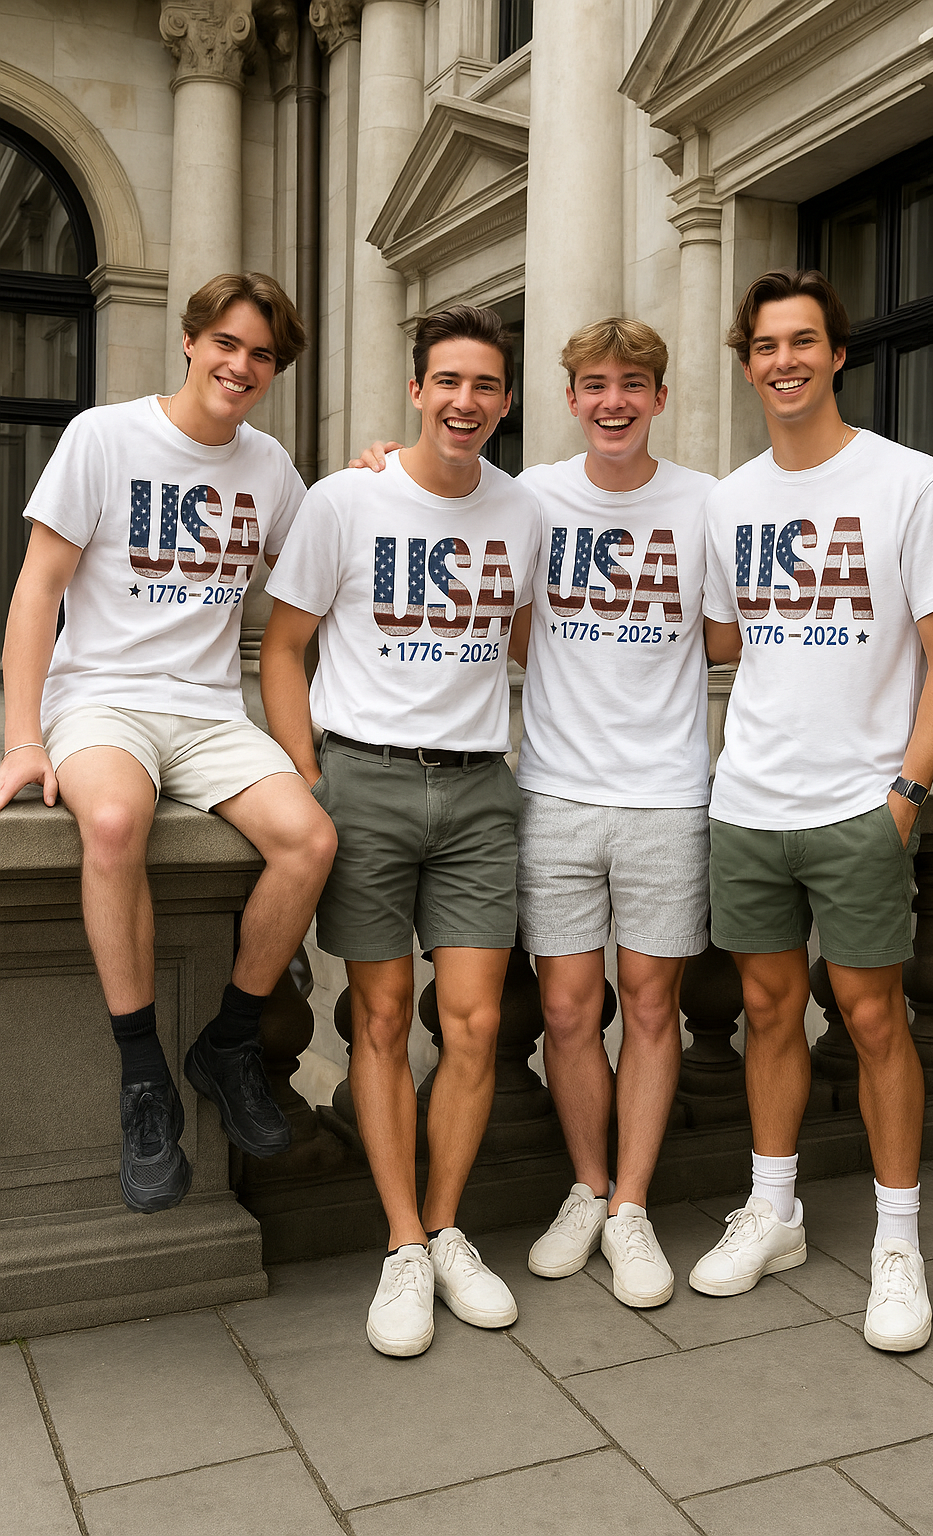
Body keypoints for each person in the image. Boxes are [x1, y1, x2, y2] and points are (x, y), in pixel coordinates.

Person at [352, 317, 717, 1309]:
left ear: (658, 396)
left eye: (631, 384)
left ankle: (631, 1207)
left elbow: (734, 635)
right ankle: (586, 1189)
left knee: (649, 1005)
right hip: (551, 786)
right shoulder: (530, 501)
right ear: (562, 399)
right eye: (594, 383)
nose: (612, 401)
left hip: (667, 791)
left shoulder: (705, 505)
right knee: (564, 1009)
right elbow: (474, 580)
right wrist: (381, 466)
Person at [690, 268, 933, 1352]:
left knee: (872, 1022)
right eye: (765, 345)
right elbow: (727, 643)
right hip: (750, 800)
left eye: (802, 341)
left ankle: (897, 1241)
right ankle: (773, 1210)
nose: (783, 362)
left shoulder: (905, 482)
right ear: (747, 363)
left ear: (836, 353)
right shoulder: (727, 501)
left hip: (860, 805)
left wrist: (903, 796)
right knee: (769, 1014)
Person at [0, 271, 338, 1217]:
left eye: (262, 355)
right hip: (101, 698)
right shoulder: (103, 437)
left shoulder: (269, 468)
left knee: (309, 840)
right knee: (112, 822)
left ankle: (227, 1042)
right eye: (226, 344)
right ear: (191, 342)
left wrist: (384, 475)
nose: (241, 366)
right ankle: (144, 1073)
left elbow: (325, 560)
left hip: (209, 709)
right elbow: (35, 591)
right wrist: (22, 737)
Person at [260, 304, 542, 1358]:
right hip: (364, 783)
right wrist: (309, 775)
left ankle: (448, 1224)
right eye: (448, 383)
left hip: (476, 794)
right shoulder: (345, 502)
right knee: (377, 1022)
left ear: (504, 402)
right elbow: (283, 648)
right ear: (416, 391)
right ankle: (401, 1247)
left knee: (469, 1025)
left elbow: (520, 638)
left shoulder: (523, 514)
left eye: (486, 386)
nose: (466, 402)